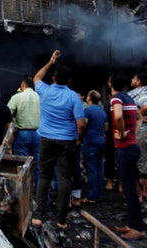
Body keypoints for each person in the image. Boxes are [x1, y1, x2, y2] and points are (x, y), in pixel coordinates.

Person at [31, 50, 85, 232]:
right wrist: (79, 139)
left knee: (44, 176)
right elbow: (81, 124)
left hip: (46, 139)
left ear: (53, 78)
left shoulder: (44, 90)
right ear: (69, 81)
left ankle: (38, 217)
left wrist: (50, 61)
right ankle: (61, 220)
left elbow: (37, 77)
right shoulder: (74, 97)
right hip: (67, 142)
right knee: (64, 179)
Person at [109, 71, 146, 241]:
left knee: (129, 189)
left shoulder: (116, 99)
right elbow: (140, 117)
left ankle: (138, 228)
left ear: (111, 83)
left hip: (124, 147)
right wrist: (133, 133)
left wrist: (123, 133)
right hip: (132, 146)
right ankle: (131, 224)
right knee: (130, 187)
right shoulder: (130, 99)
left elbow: (117, 115)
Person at [7, 76, 40, 188]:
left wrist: (14, 123)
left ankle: (24, 192)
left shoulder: (17, 97)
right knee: (37, 165)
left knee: (23, 165)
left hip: (22, 134)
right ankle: (38, 194)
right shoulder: (40, 97)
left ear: (22, 85)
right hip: (38, 134)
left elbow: (7, 113)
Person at [128, 72, 147, 202]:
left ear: (139, 82)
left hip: (142, 132)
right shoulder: (135, 94)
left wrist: (134, 117)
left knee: (142, 161)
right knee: (134, 162)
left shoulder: (143, 94)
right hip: (138, 132)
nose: (132, 79)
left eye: (134, 78)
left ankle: (145, 192)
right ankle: (139, 192)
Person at [81, 90, 107, 203]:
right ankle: (99, 194)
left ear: (89, 98)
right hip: (101, 141)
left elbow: (83, 125)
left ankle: (91, 196)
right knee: (99, 168)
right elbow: (106, 128)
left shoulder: (87, 110)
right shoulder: (102, 112)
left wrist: (80, 138)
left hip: (91, 142)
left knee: (91, 169)